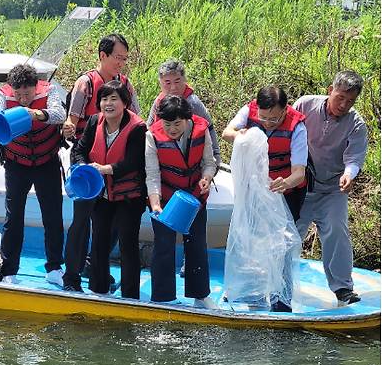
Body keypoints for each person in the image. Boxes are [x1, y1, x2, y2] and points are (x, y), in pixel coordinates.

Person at [60, 33, 140, 292]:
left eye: (125, 59)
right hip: (88, 168)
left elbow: (135, 123)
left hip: (116, 172)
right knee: (81, 224)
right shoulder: (86, 84)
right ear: (103, 56)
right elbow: (73, 120)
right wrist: (71, 133)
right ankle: (71, 278)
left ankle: (98, 272)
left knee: (111, 228)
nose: (121, 63)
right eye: (118, 57)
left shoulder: (126, 85)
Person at [0, 64, 65, 285]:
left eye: (27, 93)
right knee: (13, 217)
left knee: (52, 216)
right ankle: (9, 269)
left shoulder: (49, 91)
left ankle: (55, 267)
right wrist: (0, 118)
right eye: (18, 94)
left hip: (46, 162)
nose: (22, 98)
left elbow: (60, 114)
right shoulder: (4, 94)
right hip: (16, 164)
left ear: (35, 87)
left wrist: (36, 113)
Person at [293, 71, 368, 305]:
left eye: (350, 101)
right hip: (301, 184)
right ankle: (278, 283)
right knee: (289, 234)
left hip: (333, 187)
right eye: (340, 98)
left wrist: (349, 174)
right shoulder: (305, 105)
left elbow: (354, 158)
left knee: (336, 231)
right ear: (329, 90)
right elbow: (288, 135)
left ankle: (343, 289)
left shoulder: (356, 124)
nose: (343, 105)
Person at [72, 80, 146, 299]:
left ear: (125, 103)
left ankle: (130, 295)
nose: (108, 103)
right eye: (104, 99)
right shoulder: (94, 121)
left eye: (114, 99)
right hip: (101, 194)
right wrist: (84, 166)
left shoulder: (137, 128)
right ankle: (98, 289)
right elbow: (79, 150)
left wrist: (106, 169)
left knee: (127, 243)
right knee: (100, 241)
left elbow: (134, 162)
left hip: (129, 196)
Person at [146, 95, 216, 304]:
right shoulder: (152, 136)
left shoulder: (201, 130)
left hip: (194, 197)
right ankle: (162, 297)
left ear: (187, 119)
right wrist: (155, 204)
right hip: (165, 199)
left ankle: (200, 296)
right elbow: (152, 174)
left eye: (177, 124)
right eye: (167, 124)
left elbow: (210, 163)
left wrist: (206, 178)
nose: (172, 129)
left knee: (196, 245)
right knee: (164, 245)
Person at [223, 86, 308, 223]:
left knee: (283, 236)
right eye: (262, 118)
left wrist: (285, 183)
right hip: (254, 190)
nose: (267, 123)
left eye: (274, 119)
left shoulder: (297, 127)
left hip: (285, 193)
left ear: (285, 110)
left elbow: (299, 173)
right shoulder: (249, 110)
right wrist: (239, 136)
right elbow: (226, 133)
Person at [146, 59, 221, 166]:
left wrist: (214, 162)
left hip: (191, 161)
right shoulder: (159, 101)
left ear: (184, 80)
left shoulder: (192, 104)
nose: (173, 87)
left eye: (177, 81)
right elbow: (149, 127)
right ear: (160, 83)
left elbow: (208, 132)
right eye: (167, 83)